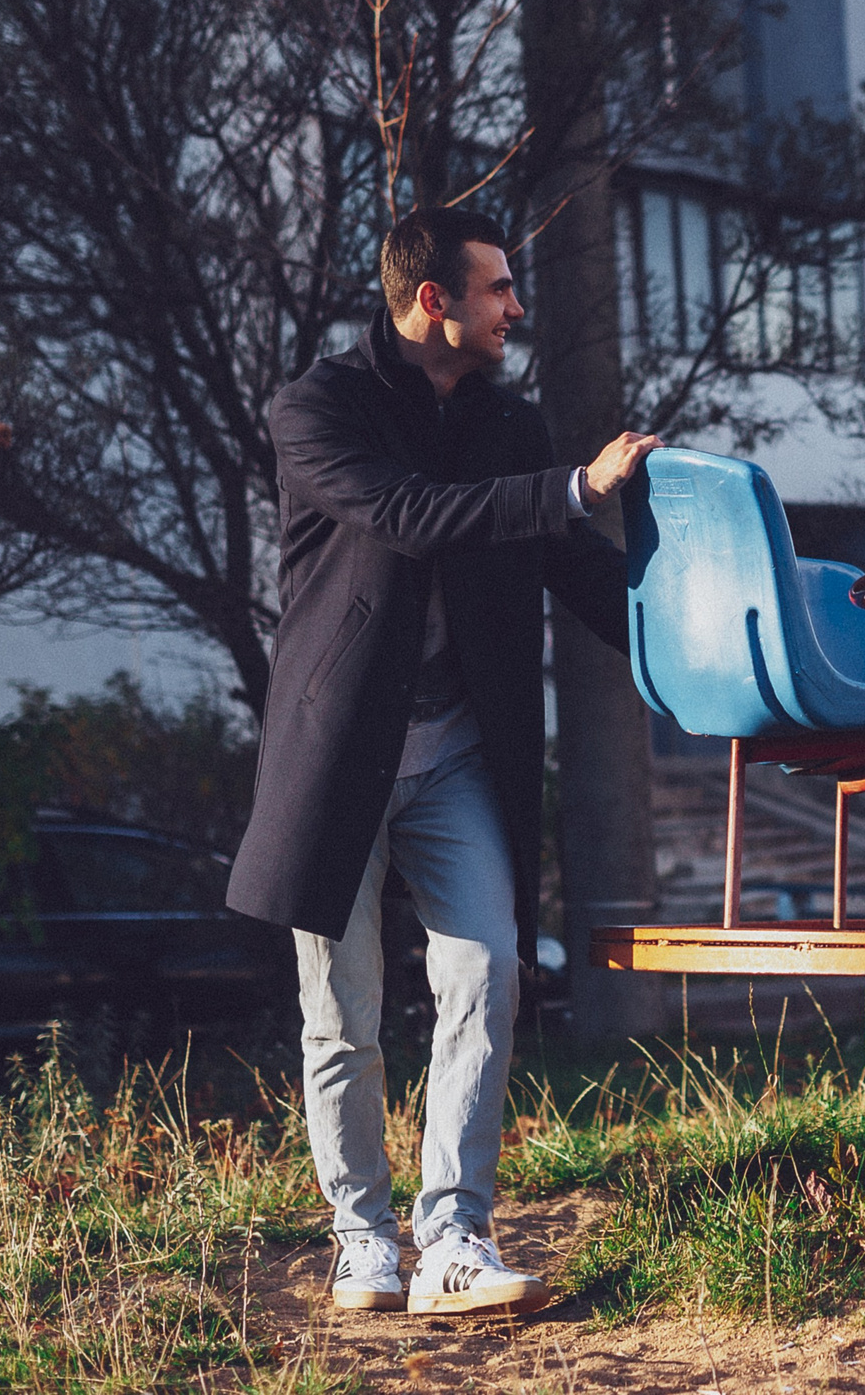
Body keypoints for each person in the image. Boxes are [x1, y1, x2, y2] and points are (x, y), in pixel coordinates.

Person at [228, 205, 661, 1316]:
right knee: (344, 1015)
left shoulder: (507, 424)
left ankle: (455, 1236)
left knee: (488, 975)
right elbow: (412, 516)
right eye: (497, 290)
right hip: (341, 753)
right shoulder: (317, 410)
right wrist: (575, 484)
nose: (516, 307)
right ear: (435, 302)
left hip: (464, 750)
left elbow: (571, 568)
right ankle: (361, 1239)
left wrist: (710, 660)